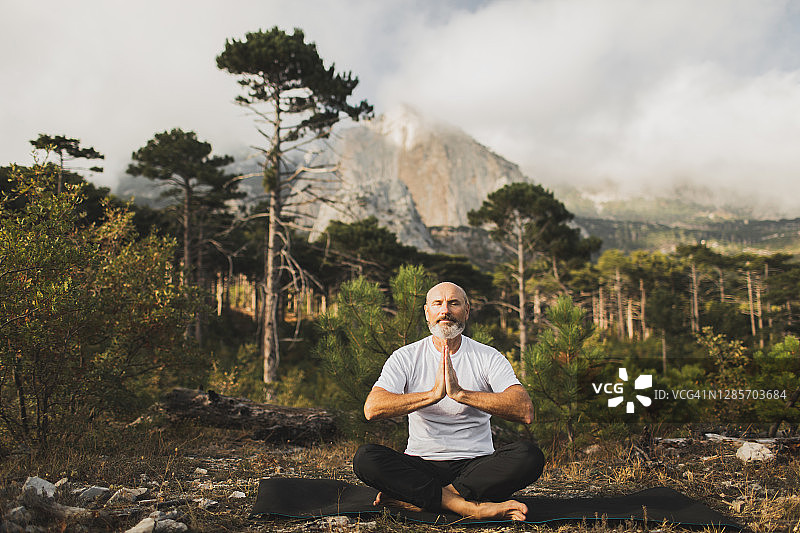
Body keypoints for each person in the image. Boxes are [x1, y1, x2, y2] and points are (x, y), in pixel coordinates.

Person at [352, 281, 545, 521]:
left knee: (529, 456)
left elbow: (524, 410)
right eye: (438, 303)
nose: (445, 310)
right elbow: (372, 408)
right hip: (421, 465)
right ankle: (470, 508)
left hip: (476, 467)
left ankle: (427, 499)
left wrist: (461, 394)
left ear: (466, 311)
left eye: (454, 303)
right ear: (427, 312)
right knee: (365, 458)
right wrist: (432, 395)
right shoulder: (406, 357)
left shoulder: (487, 356)